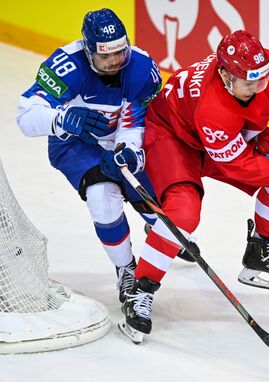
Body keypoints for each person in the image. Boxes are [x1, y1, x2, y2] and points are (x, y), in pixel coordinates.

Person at [121, 30, 269, 336]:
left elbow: (253, 117)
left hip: (214, 135)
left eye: (262, 80)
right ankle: (141, 289)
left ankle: (261, 250)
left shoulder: (263, 72)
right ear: (225, 75)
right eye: (250, 83)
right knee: (183, 213)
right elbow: (238, 165)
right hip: (173, 138)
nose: (259, 88)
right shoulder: (213, 107)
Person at [16, 8, 162, 304]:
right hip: (75, 144)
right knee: (102, 197)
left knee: (150, 196)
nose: (114, 62)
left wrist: (128, 152)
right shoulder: (65, 67)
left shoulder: (142, 67)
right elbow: (25, 116)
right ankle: (125, 268)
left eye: (120, 52)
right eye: (105, 56)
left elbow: (135, 120)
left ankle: (155, 223)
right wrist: (61, 119)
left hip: (121, 138)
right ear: (87, 49)